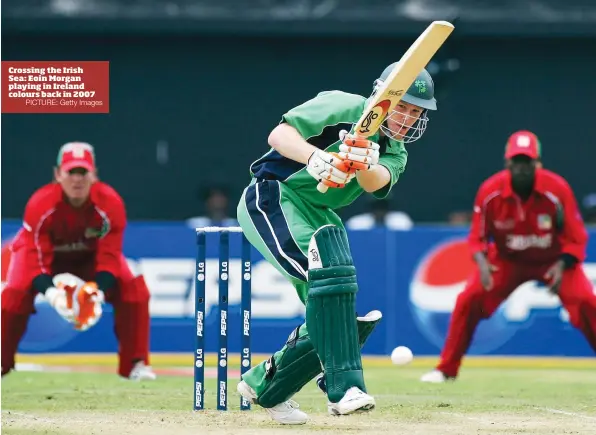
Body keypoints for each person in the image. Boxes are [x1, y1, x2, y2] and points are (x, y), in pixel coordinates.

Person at [235, 64, 439, 424]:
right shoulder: (345, 106)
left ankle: (265, 387)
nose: (407, 119)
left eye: (416, 112)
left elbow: (378, 182)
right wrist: (315, 157)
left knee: (333, 303)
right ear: (384, 97)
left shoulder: (396, 150)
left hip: (320, 213)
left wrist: (365, 161)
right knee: (329, 286)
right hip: (274, 196)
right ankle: (343, 387)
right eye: (403, 106)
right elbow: (279, 135)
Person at [421, 131, 596, 383]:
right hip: (507, 261)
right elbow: (477, 236)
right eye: (517, 162)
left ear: (538, 164)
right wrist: (481, 262)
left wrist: (563, 263)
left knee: (586, 301)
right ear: (507, 163)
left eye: (528, 163)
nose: (522, 169)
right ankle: (446, 369)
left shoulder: (557, 189)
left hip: (553, 260)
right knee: (468, 299)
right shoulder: (490, 191)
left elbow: (576, 236)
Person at [1, 142, 155, 381]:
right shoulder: (40, 204)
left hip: (88, 259)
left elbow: (110, 256)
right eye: (71, 172)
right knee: (12, 296)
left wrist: (96, 293)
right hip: (45, 260)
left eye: (83, 172)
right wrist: (52, 294)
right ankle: (1, 362)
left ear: (94, 175)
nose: (77, 179)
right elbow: (35, 260)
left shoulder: (110, 204)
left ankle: (135, 364)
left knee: (135, 289)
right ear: (58, 175)